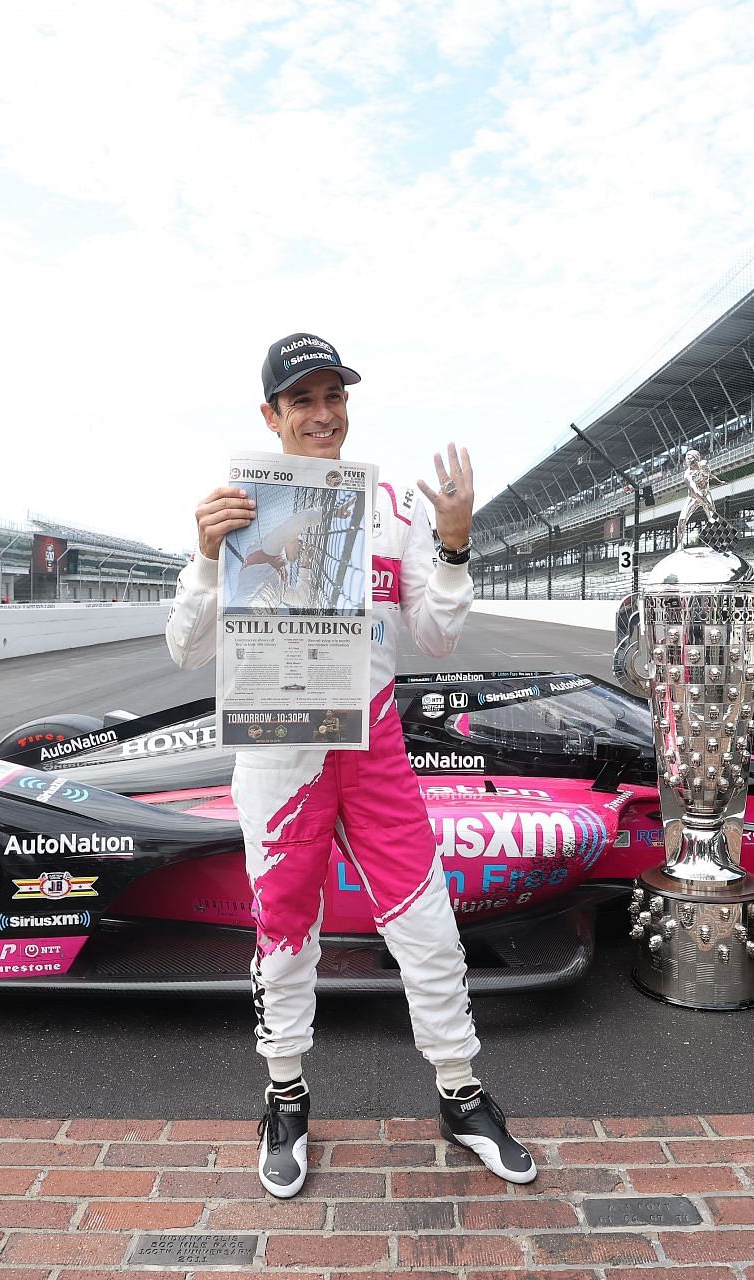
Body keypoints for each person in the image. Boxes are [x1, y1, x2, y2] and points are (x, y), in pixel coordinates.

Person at [165, 332, 534, 1199]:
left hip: (371, 747)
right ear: (272, 416)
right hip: (279, 753)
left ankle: (461, 1092)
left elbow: (437, 636)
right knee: (285, 929)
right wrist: (203, 558)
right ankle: (285, 1099)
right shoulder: (238, 504)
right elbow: (184, 650)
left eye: (335, 398)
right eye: (304, 401)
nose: (324, 416)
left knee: (429, 926)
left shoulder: (396, 506)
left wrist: (452, 543)